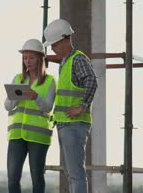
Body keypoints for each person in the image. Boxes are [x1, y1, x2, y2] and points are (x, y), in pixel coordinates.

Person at [42, 19, 98, 193]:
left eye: (54, 44)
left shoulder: (78, 59)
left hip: (74, 124)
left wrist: (82, 106)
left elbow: (92, 80)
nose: (52, 48)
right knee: (71, 172)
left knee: (76, 173)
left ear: (65, 39)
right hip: (65, 123)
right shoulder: (66, 62)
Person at [4, 39, 56, 193]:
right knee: (12, 178)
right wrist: (15, 96)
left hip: (38, 137)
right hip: (16, 135)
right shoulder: (17, 78)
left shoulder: (50, 81)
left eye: (31, 58)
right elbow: (7, 106)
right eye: (25, 58)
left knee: (37, 177)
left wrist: (35, 97)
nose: (28, 61)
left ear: (40, 59)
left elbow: (48, 107)